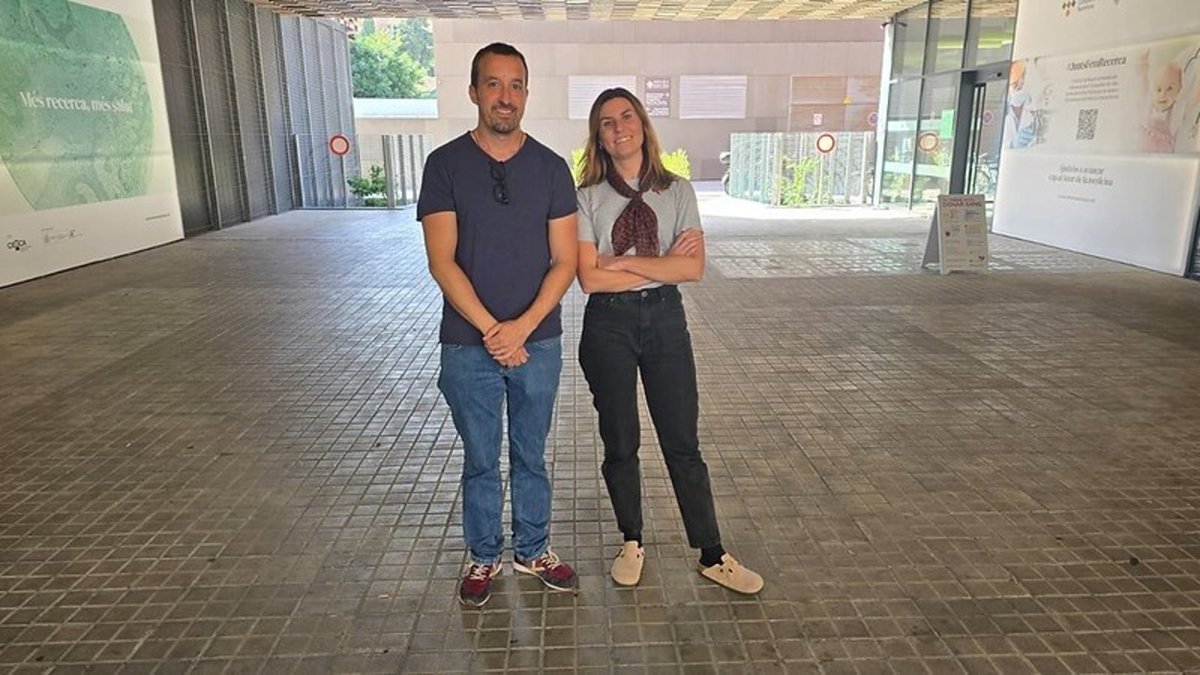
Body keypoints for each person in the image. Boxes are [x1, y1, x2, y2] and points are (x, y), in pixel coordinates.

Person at [574, 88, 763, 595]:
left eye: (627, 116)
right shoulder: (586, 196)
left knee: (682, 441)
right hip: (608, 326)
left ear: (642, 125)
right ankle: (631, 540)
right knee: (620, 440)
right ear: (599, 136)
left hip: (665, 322)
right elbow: (589, 279)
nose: (619, 128)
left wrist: (620, 262)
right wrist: (660, 265)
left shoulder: (678, 191)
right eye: (607, 122)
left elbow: (692, 269)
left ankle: (712, 553)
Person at [417, 42, 579, 607]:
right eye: (493, 84)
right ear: (473, 92)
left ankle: (533, 549)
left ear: (526, 94)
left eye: (515, 85)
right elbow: (442, 262)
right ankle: (483, 555)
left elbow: (566, 260)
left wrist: (523, 328)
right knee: (481, 459)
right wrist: (495, 330)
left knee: (531, 454)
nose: (505, 96)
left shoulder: (552, 169)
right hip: (468, 346)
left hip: (539, 343)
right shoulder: (444, 165)